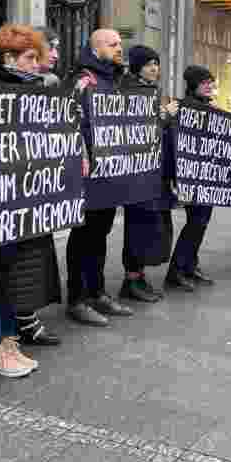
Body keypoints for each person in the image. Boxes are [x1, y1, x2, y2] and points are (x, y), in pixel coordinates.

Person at [0, 25, 66, 374]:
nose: (35, 64)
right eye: (30, 58)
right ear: (8, 57)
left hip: (27, 198)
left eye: (37, 58)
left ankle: (10, 342)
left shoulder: (31, 90)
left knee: (18, 274)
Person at [65, 29, 135, 326]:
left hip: (110, 171)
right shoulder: (84, 80)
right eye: (112, 44)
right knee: (84, 235)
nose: (119, 48)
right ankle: (77, 298)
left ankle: (97, 292)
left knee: (100, 233)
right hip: (89, 171)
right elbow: (70, 119)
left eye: (120, 43)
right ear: (95, 49)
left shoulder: (115, 79)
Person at [120, 45, 177, 303]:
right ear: (136, 67)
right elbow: (138, 131)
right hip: (138, 173)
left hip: (155, 171)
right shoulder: (131, 90)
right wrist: (164, 116)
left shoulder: (152, 91)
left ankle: (139, 275)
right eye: (148, 64)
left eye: (156, 63)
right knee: (139, 226)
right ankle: (132, 279)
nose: (155, 68)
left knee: (153, 226)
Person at [165, 65, 220, 289]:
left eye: (211, 82)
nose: (210, 86)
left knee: (202, 222)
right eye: (205, 82)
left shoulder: (209, 107)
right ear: (194, 84)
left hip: (208, 175)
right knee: (195, 222)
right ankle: (176, 270)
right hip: (191, 175)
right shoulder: (182, 107)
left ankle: (190, 265)